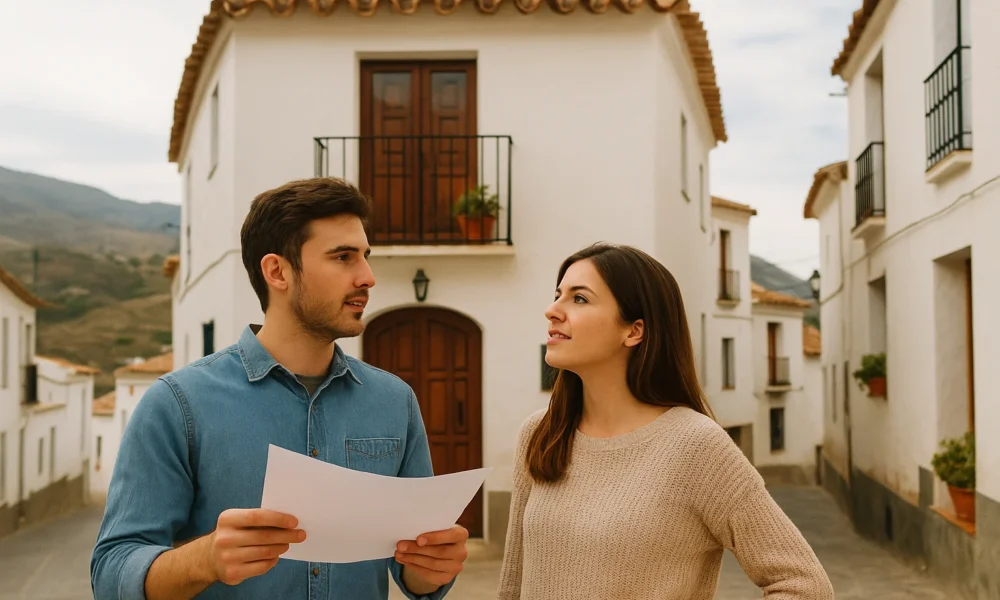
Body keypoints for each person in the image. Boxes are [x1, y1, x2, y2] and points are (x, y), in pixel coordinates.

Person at [91, 178, 468, 600]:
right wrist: (205, 560)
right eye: (343, 257)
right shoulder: (178, 404)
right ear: (277, 272)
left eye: (365, 256)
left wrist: (432, 570)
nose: (368, 277)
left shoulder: (395, 400)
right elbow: (111, 574)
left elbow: (413, 573)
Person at [497, 243, 835, 600]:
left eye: (579, 299)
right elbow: (514, 583)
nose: (552, 311)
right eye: (557, 295)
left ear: (634, 331)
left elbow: (805, 585)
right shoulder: (541, 433)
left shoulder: (696, 446)